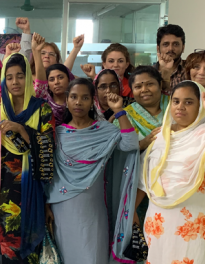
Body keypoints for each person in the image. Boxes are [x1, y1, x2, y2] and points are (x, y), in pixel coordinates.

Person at [135, 80, 205, 264]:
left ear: (200, 106)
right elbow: (146, 178)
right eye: (176, 101)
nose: (180, 107)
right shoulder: (161, 136)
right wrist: (133, 209)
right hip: (159, 222)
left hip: (197, 224)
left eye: (188, 102)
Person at [47, 78, 140, 263]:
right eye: (73, 97)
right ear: (67, 100)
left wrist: (118, 111)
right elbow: (50, 174)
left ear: (92, 101)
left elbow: (130, 144)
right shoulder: (58, 133)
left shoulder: (104, 130)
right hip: (62, 207)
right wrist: (46, 205)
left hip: (94, 208)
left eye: (85, 98)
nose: (78, 102)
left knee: (93, 254)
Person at [0, 53, 54, 263]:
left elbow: (48, 146)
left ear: (28, 78)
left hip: (31, 187)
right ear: (3, 80)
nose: (15, 82)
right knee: (4, 241)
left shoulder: (41, 107)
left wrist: (21, 129)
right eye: (9, 77)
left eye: (20, 76)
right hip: (1, 188)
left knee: (28, 240)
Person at [115, 55, 205, 151]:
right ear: (132, 90)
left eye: (150, 84)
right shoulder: (125, 116)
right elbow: (119, 149)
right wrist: (144, 143)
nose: (144, 90)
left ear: (159, 85)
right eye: (138, 87)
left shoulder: (176, 102)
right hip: (144, 172)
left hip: (187, 161)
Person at [31, 32, 75, 126]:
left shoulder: (74, 100)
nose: (57, 82)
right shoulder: (41, 93)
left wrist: (76, 48)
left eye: (51, 54)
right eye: (43, 53)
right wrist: (36, 50)